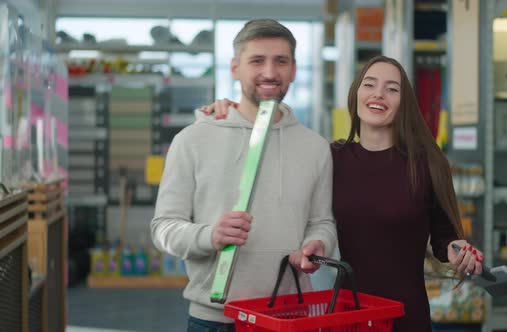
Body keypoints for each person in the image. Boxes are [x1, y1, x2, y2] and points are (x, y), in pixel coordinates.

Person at [202, 55, 485, 332]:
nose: (379, 94)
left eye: (392, 89)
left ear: (404, 103)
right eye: (369, 84)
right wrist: (234, 114)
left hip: (405, 315)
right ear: (356, 95)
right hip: (348, 314)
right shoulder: (331, 157)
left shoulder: (426, 164)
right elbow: (274, 147)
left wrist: (457, 250)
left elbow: (444, 241)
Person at [151, 19, 337, 332]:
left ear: (293, 69)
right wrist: (209, 235)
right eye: (257, 61)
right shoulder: (193, 139)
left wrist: (319, 244)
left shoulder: (316, 148)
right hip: (215, 320)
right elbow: (163, 229)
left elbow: (322, 222)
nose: (269, 72)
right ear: (235, 68)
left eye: (280, 61)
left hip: (290, 317)